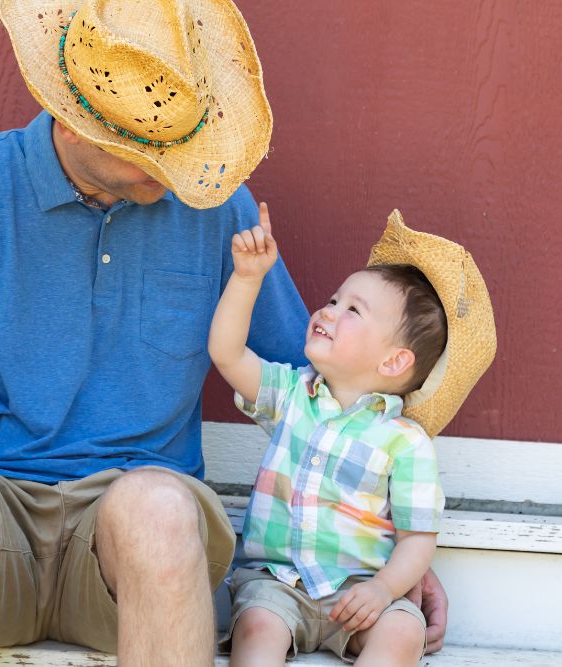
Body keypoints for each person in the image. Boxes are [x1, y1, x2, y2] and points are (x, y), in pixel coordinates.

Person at [0, 0, 450, 665]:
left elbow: (326, 397)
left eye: (176, 141)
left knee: (156, 505)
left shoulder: (210, 201)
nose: (171, 168)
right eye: (144, 148)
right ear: (73, 125)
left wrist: (389, 557)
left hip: (139, 550)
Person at [208, 206, 496, 665]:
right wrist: (247, 278)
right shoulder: (290, 394)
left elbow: (417, 538)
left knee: (403, 628)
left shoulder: (405, 441)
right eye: (334, 299)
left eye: (352, 310)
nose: (328, 310)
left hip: (362, 589)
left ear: (393, 362)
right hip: (280, 583)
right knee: (258, 625)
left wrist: (384, 590)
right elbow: (225, 354)